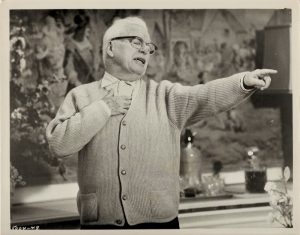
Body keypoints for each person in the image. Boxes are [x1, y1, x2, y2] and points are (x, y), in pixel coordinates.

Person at [46, 16, 277, 229]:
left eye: (149, 47)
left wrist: (243, 82)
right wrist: (103, 108)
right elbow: (58, 144)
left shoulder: (165, 96)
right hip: (99, 224)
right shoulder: (80, 96)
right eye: (137, 42)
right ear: (110, 48)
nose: (145, 51)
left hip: (159, 224)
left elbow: (205, 95)